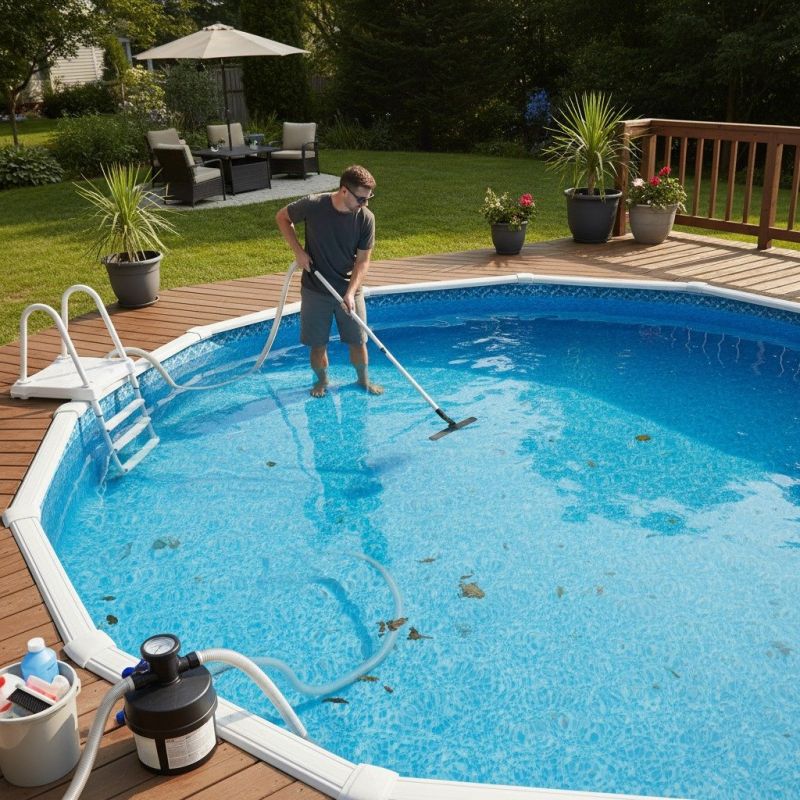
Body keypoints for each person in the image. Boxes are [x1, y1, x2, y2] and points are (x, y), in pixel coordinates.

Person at [275, 165, 384, 398]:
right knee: (318, 344)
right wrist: (298, 252)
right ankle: (321, 382)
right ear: (344, 191)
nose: (365, 204)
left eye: (368, 198)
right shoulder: (314, 205)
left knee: (358, 341)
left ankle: (363, 381)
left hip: (349, 289)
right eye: (361, 199)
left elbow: (363, 262)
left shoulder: (366, 219)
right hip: (316, 288)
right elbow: (282, 217)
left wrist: (350, 292)